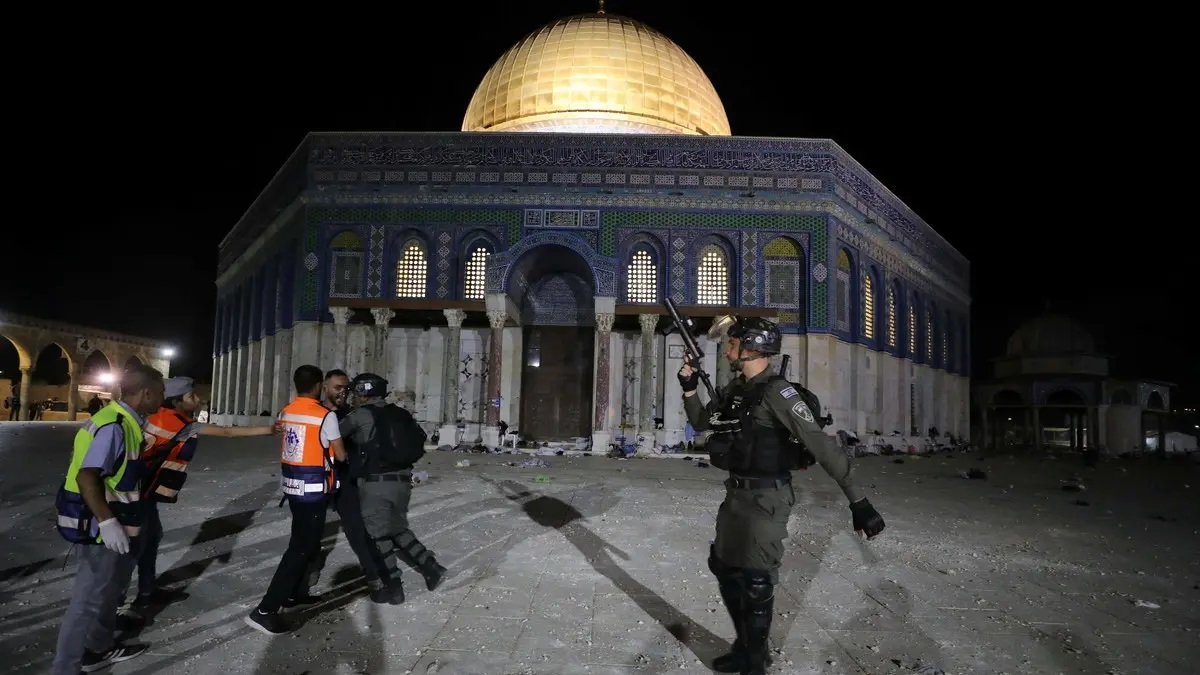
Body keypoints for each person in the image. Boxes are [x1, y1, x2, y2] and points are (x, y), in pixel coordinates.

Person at [678, 316, 885, 675]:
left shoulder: (778, 393)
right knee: (725, 567)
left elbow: (821, 445)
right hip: (736, 494)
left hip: (768, 498)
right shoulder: (736, 388)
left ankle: (756, 661)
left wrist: (859, 502)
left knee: (756, 581)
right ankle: (745, 647)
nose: (727, 350)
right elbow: (701, 423)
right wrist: (689, 389)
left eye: (732, 344)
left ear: (751, 348)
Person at [51, 365, 165, 675]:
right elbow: (87, 476)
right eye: (160, 393)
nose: (162, 399)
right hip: (99, 528)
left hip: (116, 522)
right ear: (146, 393)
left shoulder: (124, 421)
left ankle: (98, 649)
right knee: (87, 603)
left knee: (108, 592)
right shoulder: (114, 426)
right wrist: (107, 522)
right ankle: (65, 669)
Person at [128, 376, 275, 611]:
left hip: (141, 490)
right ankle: (118, 607)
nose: (197, 399)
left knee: (152, 537)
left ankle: (146, 592)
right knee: (135, 546)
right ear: (176, 401)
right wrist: (269, 429)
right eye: (191, 396)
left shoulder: (152, 416)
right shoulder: (183, 424)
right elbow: (226, 432)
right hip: (137, 494)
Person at [245, 365, 346, 635]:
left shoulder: (286, 411)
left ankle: (294, 595)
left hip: (292, 487)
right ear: (319, 386)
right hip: (313, 491)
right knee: (300, 549)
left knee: (302, 542)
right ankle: (265, 610)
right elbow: (341, 454)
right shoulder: (325, 416)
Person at [340, 372, 445, 604]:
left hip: (375, 484)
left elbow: (333, 435)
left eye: (355, 392)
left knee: (377, 537)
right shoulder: (401, 413)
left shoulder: (360, 415)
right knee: (397, 529)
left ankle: (393, 587)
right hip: (402, 482)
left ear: (363, 393)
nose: (352, 397)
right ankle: (431, 567)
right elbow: (419, 439)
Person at [292, 369, 393, 606]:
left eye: (346, 388)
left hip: (346, 481)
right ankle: (300, 585)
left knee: (358, 533)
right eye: (337, 388)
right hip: (316, 480)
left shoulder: (352, 415)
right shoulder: (315, 414)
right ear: (324, 387)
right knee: (309, 535)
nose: (343, 393)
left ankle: (376, 582)